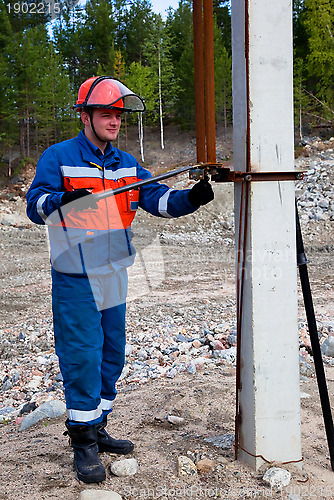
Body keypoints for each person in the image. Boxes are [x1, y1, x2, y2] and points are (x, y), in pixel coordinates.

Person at [26, 76, 214, 483]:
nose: (115, 121)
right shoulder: (58, 156)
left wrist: (192, 199)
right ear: (86, 115)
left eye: (119, 115)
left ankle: (97, 424)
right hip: (75, 275)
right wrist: (62, 201)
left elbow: (159, 199)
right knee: (83, 355)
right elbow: (35, 205)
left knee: (113, 353)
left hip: (115, 272)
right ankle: (82, 440)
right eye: (107, 113)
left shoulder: (127, 164)